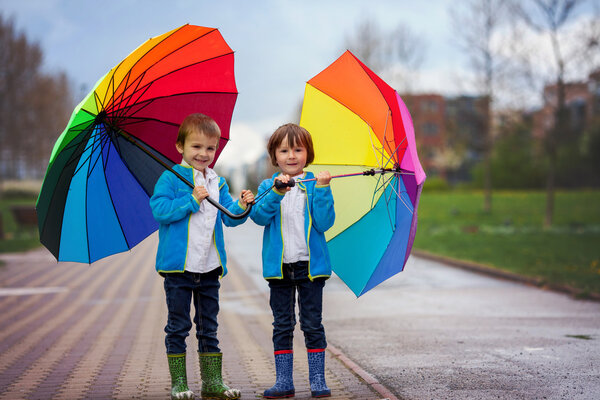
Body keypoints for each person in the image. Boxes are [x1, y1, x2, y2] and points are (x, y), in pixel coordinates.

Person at [150, 113, 254, 400]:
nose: (204, 154)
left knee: (209, 326)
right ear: (180, 146)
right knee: (178, 325)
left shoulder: (217, 182)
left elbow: (231, 218)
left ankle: (212, 382)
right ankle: (179, 384)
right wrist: (190, 200)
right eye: (196, 147)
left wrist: (244, 206)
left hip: (209, 268)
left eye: (210, 148)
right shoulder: (171, 178)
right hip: (179, 271)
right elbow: (160, 210)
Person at [251, 123, 335, 398]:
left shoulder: (313, 185)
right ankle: (284, 380)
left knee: (312, 324)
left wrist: (322, 190)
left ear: (307, 154)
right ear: (274, 156)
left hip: (310, 268)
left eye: (297, 149)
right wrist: (276, 192)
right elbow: (259, 217)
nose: (291, 155)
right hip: (280, 269)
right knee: (283, 324)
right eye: (284, 150)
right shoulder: (268, 185)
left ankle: (318, 380)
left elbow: (324, 223)